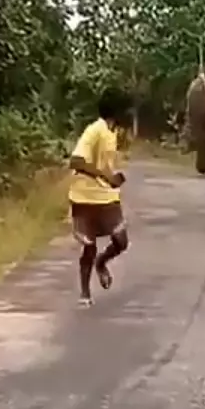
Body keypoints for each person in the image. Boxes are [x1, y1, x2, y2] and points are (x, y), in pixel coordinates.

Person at [68, 91, 129, 303]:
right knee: (89, 245)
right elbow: (76, 161)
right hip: (85, 196)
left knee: (121, 241)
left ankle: (101, 263)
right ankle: (85, 292)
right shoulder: (94, 130)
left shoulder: (112, 132)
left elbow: (105, 164)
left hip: (106, 195)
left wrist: (113, 177)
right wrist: (105, 176)